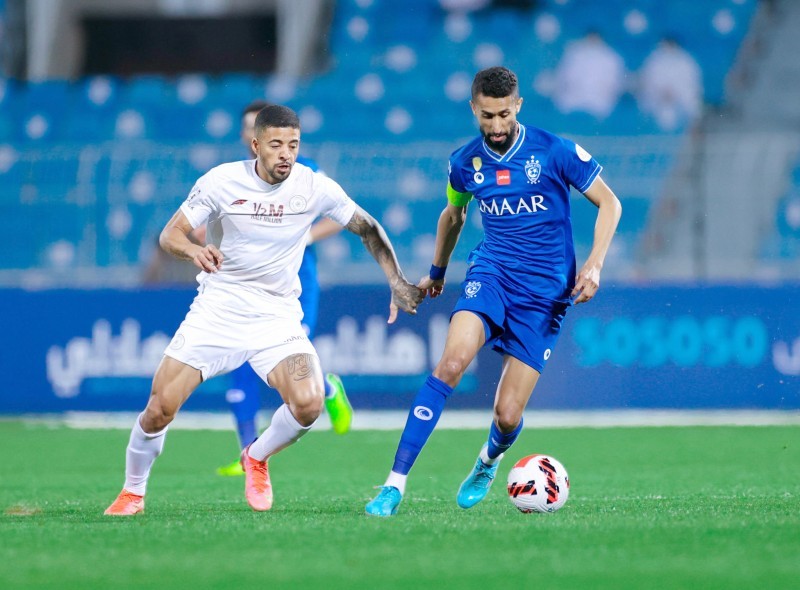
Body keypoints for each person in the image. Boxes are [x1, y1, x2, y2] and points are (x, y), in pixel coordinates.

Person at [105, 104, 425, 515]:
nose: (286, 153)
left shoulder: (312, 185)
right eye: (276, 144)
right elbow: (171, 235)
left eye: (293, 144)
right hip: (217, 312)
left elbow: (368, 227)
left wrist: (397, 281)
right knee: (159, 409)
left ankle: (255, 456)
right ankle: (132, 492)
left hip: (276, 317)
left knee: (309, 403)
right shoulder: (221, 181)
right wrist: (193, 251)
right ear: (255, 145)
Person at [365, 66, 621, 516]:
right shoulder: (464, 162)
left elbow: (610, 202)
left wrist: (595, 263)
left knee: (507, 415)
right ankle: (393, 485)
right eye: (487, 116)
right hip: (492, 274)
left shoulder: (554, 150)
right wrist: (437, 271)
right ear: (473, 109)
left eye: (504, 114)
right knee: (451, 364)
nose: (497, 125)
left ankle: (488, 460)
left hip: (544, 296)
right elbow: (453, 215)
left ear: (518, 105)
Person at [215, 100, 353, 478]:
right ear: (248, 137)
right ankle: (247, 453)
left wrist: (304, 236)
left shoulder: (304, 170)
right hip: (247, 288)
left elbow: (342, 216)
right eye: (247, 128)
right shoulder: (234, 178)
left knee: (291, 364)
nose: (251, 133)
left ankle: (327, 389)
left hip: (295, 285)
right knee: (240, 363)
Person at [551, 31, 626, 120]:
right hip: (573, 97)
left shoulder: (611, 57)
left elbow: (615, 81)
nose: (592, 41)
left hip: (600, 100)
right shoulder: (574, 54)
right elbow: (563, 75)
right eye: (590, 39)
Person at [636, 37, 703, 132]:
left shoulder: (686, 61)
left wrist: (675, 93)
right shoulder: (653, 61)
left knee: (692, 106)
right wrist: (661, 92)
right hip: (658, 97)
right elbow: (647, 81)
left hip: (681, 96)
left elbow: (692, 83)